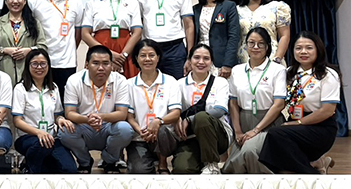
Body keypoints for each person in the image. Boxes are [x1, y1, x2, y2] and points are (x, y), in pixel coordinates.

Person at [259, 32, 341, 174]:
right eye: (298, 48)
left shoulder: (327, 74)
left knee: (277, 134)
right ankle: (315, 164)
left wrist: (298, 123)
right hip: (293, 122)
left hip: (320, 126)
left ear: (318, 50)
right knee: (277, 141)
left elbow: (327, 110)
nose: (303, 52)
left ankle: (312, 175)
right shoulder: (289, 72)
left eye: (309, 48)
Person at [57, 45, 133, 173]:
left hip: (108, 126)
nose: (101, 68)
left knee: (125, 129)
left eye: (106, 63)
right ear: (86, 65)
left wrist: (101, 117)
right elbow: (70, 113)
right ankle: (85, 162)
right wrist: (88, 120)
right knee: (65, 131)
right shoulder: (74, 80)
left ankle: (109, 161)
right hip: (84, 125)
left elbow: (122, 113)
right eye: (96, 63)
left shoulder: (120, 81)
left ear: (111, 65)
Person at [222, 27, 287, 174]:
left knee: (248, 152)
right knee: (234, 165)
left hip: (269, 122)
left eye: (261, 43)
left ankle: (268, 183)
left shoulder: (277, 70)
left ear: (268, 47)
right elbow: (233, 103)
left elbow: (279, 105)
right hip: (244, 121)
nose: (256, 47)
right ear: (245, 46)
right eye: (251, 43)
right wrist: (237, 131)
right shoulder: (237, 70)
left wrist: (256, 130)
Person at [164, 44, 232, 175]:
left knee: (202, 117)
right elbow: (174, 109)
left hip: (217, 135)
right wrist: (177, 118)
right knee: (182, 169)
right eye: (196, 58)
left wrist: (189, 119)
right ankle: (199, 161)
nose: (201, 62)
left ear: (212, 61)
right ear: (189, 60)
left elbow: (219, 110)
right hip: (190, 136)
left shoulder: (220, 82)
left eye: (206, 58)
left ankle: (211, 164)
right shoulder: (179, 84)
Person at [12, 49, 78, 174]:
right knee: (41, 147)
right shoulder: (21, 89)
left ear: (48, 65)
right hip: (28, 138)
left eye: (43, 64)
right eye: (34, 64)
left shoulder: (54, 88)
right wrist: (38, 133)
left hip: (51, 138)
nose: (39, 67)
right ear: (28, 66)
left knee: (70, 170)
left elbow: (57, 115)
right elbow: (17, 121)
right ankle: (30, 170)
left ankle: (35, 164)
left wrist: (61, 120)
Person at [134, 0, 194, 79]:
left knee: (177, 86)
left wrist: (190, 55)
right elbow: (137, 25)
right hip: (149, 47)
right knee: (150, 84)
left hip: (175, 48)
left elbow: (189, 24)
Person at [125, 39, 183, 174]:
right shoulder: (129, 84)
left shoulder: (170, 81)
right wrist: (141, 131)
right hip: (139, 137)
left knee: (162, 131)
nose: (147, 59)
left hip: (164, 136)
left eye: (151, 55)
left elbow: (176, 112)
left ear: (158, 58)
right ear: (136, 59)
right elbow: (129, 116)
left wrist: (158, 122)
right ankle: (149, 159)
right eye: (143, 55)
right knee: (139, 171)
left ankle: (162, 163)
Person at [30, 0, 85, 98]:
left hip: (67, 62)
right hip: (42, 61)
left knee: (65, 99)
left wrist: (69, 50)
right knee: (42, 98)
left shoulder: (76, 2)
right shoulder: (34, 2)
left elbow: (78, 34)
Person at [80, 0, 143, 79]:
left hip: (125, 51)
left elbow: (137, 32)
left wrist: (122, 55)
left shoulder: (131, 1)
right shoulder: (92, 3)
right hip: (99, 49)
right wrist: (108, 54)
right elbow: (85, 34)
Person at [0, 0, 47, 86]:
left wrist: (29, 50)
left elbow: (43, 46)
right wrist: (5, 50)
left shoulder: (34, 23)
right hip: (4, 73)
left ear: (24, 1)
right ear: (6, 1)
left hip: (29, 74)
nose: (15, 1)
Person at [237, 0, 291, 65]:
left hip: (271, 59)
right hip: (244, 60)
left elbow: (284, 36)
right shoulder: (236, 10)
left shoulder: (278, 7)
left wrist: (277, 59)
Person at [191, 0, 240, 77]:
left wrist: (228, 63)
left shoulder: (229, 6)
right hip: (200, 60)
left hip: (221, 61)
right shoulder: (195, 9)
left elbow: (234, 36)